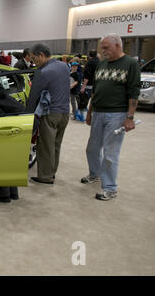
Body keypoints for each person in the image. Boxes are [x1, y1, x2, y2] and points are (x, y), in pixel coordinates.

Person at [82, 33, 140, 201]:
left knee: (110, 153)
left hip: (117, 114)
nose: (103, 50)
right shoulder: (101, 64)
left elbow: (134, 91)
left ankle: (110, 188)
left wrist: (130, 117)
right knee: (92, 149)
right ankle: (94, 174)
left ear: (118, 46)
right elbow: (96, 90)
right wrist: (90, 111)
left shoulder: (130, 64)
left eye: (106, 47)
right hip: (98, 112)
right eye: (102, 47)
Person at [26, 43, 70, 184]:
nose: (33, 62)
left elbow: (33, 96)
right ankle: (52, 172)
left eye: (34, 58)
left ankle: (45, 177)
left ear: (41, 55)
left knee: (45, 146)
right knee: (56, 145)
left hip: (50, 114)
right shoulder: (64, 66)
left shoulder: (44, 72)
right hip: (65, 113)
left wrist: (26, 113)